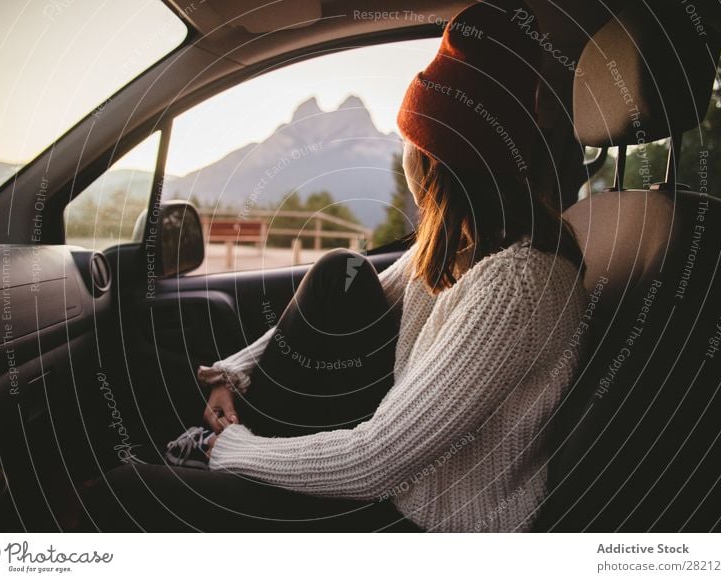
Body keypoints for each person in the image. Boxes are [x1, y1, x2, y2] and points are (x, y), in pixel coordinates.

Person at [87, 0, 587, 533]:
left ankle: (214, 453)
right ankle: (221, 449)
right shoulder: (465, 250)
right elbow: (349, 291)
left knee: (119, 494)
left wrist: (231, 449)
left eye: (411, 143)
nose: (404, 156)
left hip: (421, 523)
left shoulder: (517, 285)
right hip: (394, 489)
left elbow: (376, 461)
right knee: (341, 270)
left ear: (440, 162)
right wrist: (233, 375)